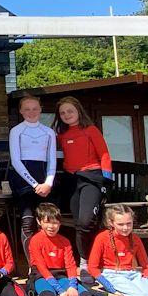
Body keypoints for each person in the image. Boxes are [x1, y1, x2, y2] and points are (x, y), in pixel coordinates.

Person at [54, 96, 112, 278]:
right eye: (62, 113)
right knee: (79, 222)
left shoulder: (90, 130)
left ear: (78, 110)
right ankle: (85, 262)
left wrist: (107, 181)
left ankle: (92, 261)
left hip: (91, 178)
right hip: (72, 180)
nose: (66, 115)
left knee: (87, 221)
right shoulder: (61, 135)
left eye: (70, 111)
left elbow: (104, 155)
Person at [9, 95, 57, 259]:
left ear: (40, 110)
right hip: (23, 181)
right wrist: (35, 184)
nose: (31, 112)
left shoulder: (49, 132)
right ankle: (33, 265)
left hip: (44, 180)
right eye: (27, 109)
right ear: (21, 111)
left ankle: (47, 260)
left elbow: (52, 160)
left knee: (46, 222)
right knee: (28, 221)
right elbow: (15, 160)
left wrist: (48, 182)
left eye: (35, 108)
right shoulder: (16, 131)